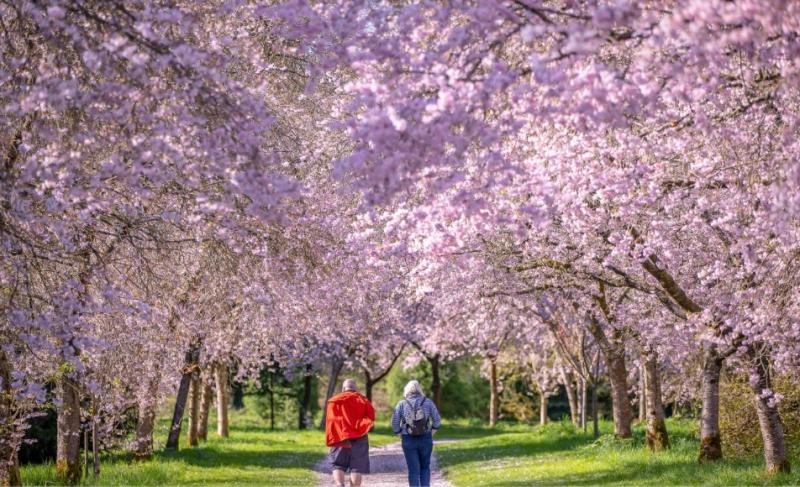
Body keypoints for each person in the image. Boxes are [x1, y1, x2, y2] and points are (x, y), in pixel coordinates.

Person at [325, 378, 375, 487]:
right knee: (357, 466)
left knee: (337, 464)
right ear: (355, 389)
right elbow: (371, 418)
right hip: (360, 437)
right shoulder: (363, 400)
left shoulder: (334, 401)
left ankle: (340, 485)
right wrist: (360, 427)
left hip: (340, 436)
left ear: (343, 389)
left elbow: (331, 420)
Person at [391, 380, 442, 487]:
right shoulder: (428, 402)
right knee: (425, 467)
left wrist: (399, 433)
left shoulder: (402, 403)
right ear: (419, 389)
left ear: (407, 390)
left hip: (408, 439)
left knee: (413, 470)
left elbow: (395, 422)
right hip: (425, 438)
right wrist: (432, 431)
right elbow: (437, 420)